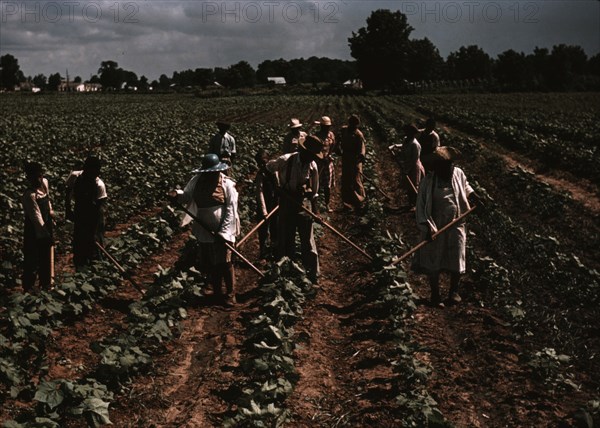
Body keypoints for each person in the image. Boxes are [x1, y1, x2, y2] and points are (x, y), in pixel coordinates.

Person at [168, 154, 240, 306]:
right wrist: (177, 195)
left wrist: (224, 232)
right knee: (211, 262)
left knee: (225, 262)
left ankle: (230, 294)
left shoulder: (226, 184)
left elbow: (230, 210)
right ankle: (217, 292)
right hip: (204, 229)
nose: (210, 175)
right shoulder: (196, 181)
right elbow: (187, 196)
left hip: (223, 229)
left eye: (213, 172)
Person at [413, 146, 479, 307]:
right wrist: (426, 227)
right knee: (434, 257)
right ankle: (435, 294)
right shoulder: (428, 182)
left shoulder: (458, 173)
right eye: (442, 166)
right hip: (435, 225)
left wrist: (473, 194)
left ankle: (453, 292)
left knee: (457, 255)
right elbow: (421, 207)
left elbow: (465, 186)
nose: (447, 169)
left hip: (457, 221)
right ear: (436, 167)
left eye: (449, 165)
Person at [267, 135, 323, 283]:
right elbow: (269, 167)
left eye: (314, 156)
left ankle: (313, 274)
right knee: (286, 238)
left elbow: (315, 193)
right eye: (311, 155)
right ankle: (287, 273)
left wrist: (316, 212)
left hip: (304, 204)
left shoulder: (313, 166)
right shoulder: (286, 160)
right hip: (287, 202)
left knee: (308, 241)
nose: (312, 158)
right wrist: (277, 185)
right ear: (303, 151)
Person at [65, 155, 107, 269]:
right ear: (85, 169)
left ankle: (97, 267)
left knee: (95, 243)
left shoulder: (99, 185)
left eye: (96, 173)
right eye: (90, 172)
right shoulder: (75, 176)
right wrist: (68, 210)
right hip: (80, 210)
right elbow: (67, 193)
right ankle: (80, 267)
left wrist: (94, 232)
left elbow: (99, 208)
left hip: (96, 214)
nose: (93, 175)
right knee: (79, 242)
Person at [22, 161, 54, 291]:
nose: (38, 179)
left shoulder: (44, 183)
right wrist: (45, 235)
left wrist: (51, 211)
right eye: (34, 177)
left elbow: (48, 200)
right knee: (32, 260)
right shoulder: (29, 195)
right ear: (28, 178)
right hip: (34, 230)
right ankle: (28, 288)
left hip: (46, 225)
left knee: (46, 258)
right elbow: (36, 218)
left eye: (39, 176)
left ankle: (46, 286)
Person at [338, 114, 366, 212]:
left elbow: (362, 149)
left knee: (356, 180)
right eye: (351, 123)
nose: (353, 126)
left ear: (357, 125)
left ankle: (360, 202)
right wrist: (338, 147)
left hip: (355, 160)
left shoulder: (358, 134)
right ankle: (347, 203)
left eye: (355, 124)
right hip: (346, 159)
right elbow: (338, 138)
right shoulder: (344, 130)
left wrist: (360, 158)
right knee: (346, 181)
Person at [254, 148, 279, 259]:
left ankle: (275, 251)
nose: (262, 165)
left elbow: (279, 188)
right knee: (263, 230)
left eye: (264, 162)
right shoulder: (260, 175)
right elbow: (260, 193)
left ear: (268, 160)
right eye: (260, 163)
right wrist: (264, 211)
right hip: (264, 205)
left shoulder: (274, 172)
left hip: (276, 204)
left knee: (276, 227)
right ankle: (263, 252)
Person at [313, 116, 336, 213]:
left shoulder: (331, 135)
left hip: (327, 162)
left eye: (328, 127)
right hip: (318, 163)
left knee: (327, 186)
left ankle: (327, 204)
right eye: (325, 126)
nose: (327, 128)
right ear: (321, 126)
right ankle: (315, 206)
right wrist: (320, 158)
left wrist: (329, 155)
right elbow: (313, 150)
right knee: (316, 185)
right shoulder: (316, 136)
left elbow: (333, 145)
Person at [400, 124, 425, 207]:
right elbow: (403, 149)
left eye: (408, 132)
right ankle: (410, 203)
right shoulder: (405, 140)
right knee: (408, 186)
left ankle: (416, 205)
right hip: (407, 165)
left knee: (414, 186)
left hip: (414, 167)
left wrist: (407, 170)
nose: (406, 133)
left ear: (413, 133)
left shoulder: (415, 145)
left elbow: (414, 159)